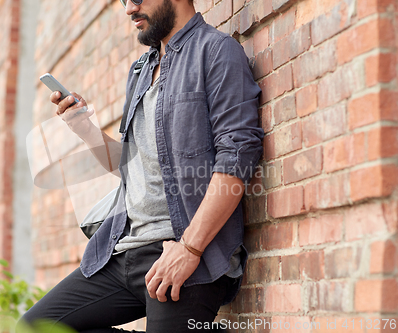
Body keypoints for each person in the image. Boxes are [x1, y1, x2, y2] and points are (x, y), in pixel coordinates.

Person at [17, 0, 264, 331]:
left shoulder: (216, 51)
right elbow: (130, 167)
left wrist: (190, 247)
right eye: (122, 1)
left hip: (184, 255)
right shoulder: (142, 70)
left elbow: (236, 160)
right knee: (34, 327)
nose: (128, 9)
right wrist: (83, 128)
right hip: (123, 251)